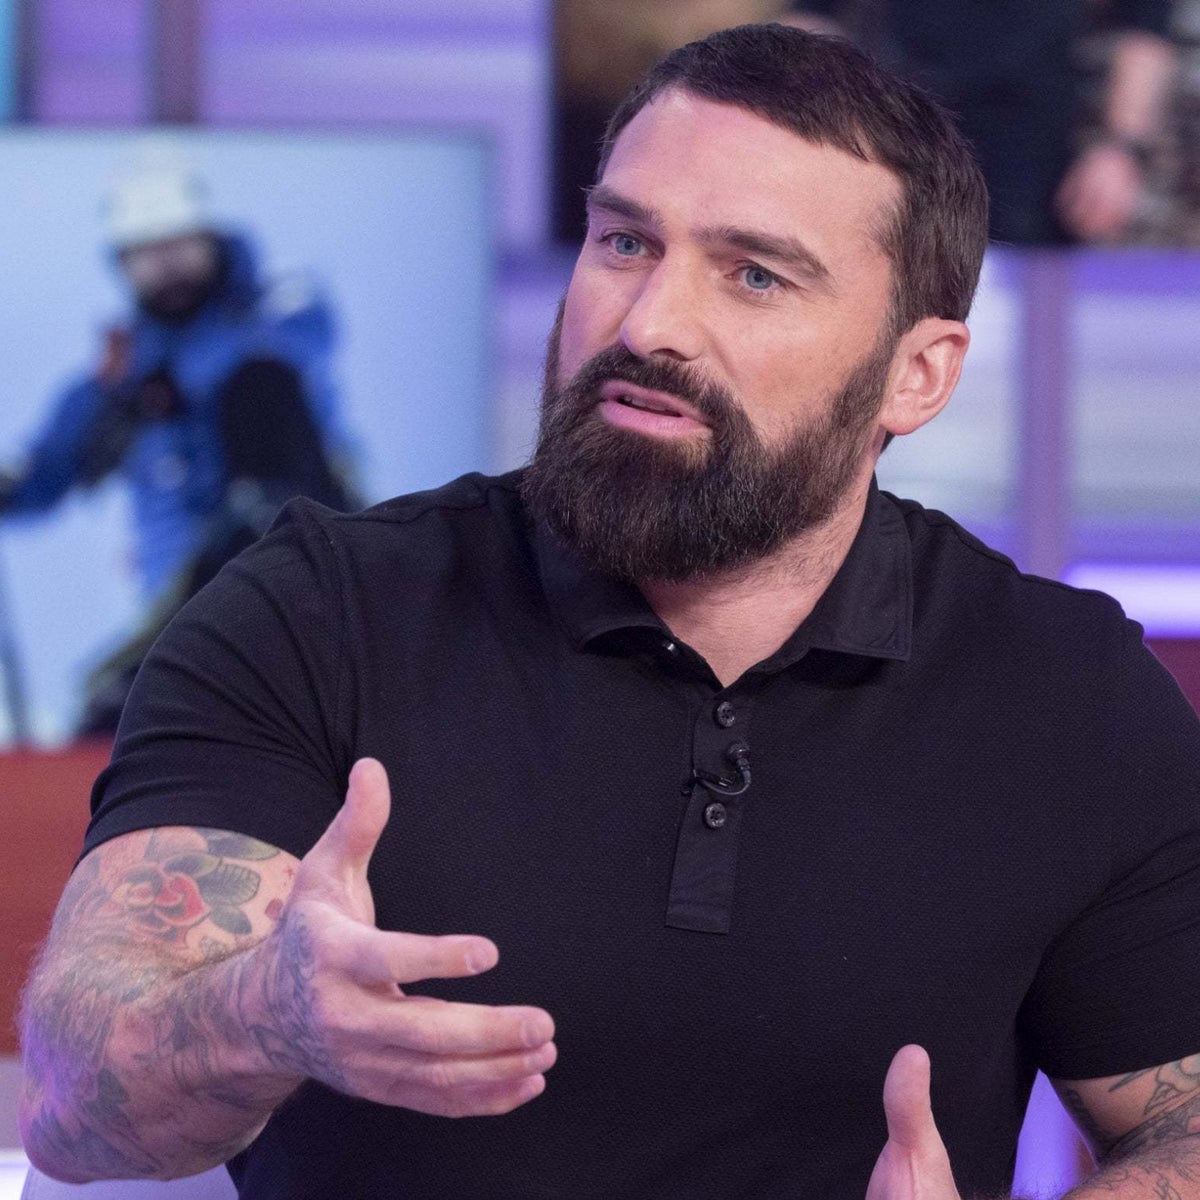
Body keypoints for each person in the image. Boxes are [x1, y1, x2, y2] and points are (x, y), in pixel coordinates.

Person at [19, 24, 1200, 1199]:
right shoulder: (317, 614)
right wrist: (259, 1016)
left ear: (918, 373)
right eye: (625, 241)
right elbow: (73, 1111)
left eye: (755, 274)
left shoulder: (1066, 693)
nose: (647, 325)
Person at [0, 156, 359, 732]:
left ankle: (263, 533)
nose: (164, 266)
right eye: (145, 253)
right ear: (122, 264)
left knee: (259, 387)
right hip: (186, 604)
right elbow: (45, 474)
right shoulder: (121, 375)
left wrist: (167, 379)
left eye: (177, 245)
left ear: (211, 240)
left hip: (306, 567)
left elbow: (290, 342)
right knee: (110, 724)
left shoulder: (277, 304)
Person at [784, 0, 1177, 244]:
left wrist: (1121, 149)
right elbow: (812, 18)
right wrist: (801, 127)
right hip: (898, 133)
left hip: (1035, 155)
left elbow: (1145, 30)